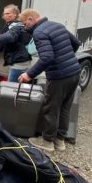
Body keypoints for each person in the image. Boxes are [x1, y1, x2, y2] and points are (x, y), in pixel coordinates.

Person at [17, 9, 80, 153]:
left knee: (51, 108)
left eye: (24, 23)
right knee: (65, 107)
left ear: (31, 19)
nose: (24, 26)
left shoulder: (39, 33)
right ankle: (60, 141)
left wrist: (29, 74)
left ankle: (47, 141)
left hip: (60, 75)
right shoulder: (57, 25)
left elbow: (47, 57)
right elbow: (76, 43)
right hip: (74, 71)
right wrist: (66, 58)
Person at [0, 4, 32, 82]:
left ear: (15, 15)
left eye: (8, 13)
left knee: (11, 88)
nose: (5, 16)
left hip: (20, 62)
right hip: (17, 61)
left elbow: (10, 37)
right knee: (15, 88)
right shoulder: (8, 25)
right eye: (4, 14)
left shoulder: (18, 25)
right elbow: (3, 39)